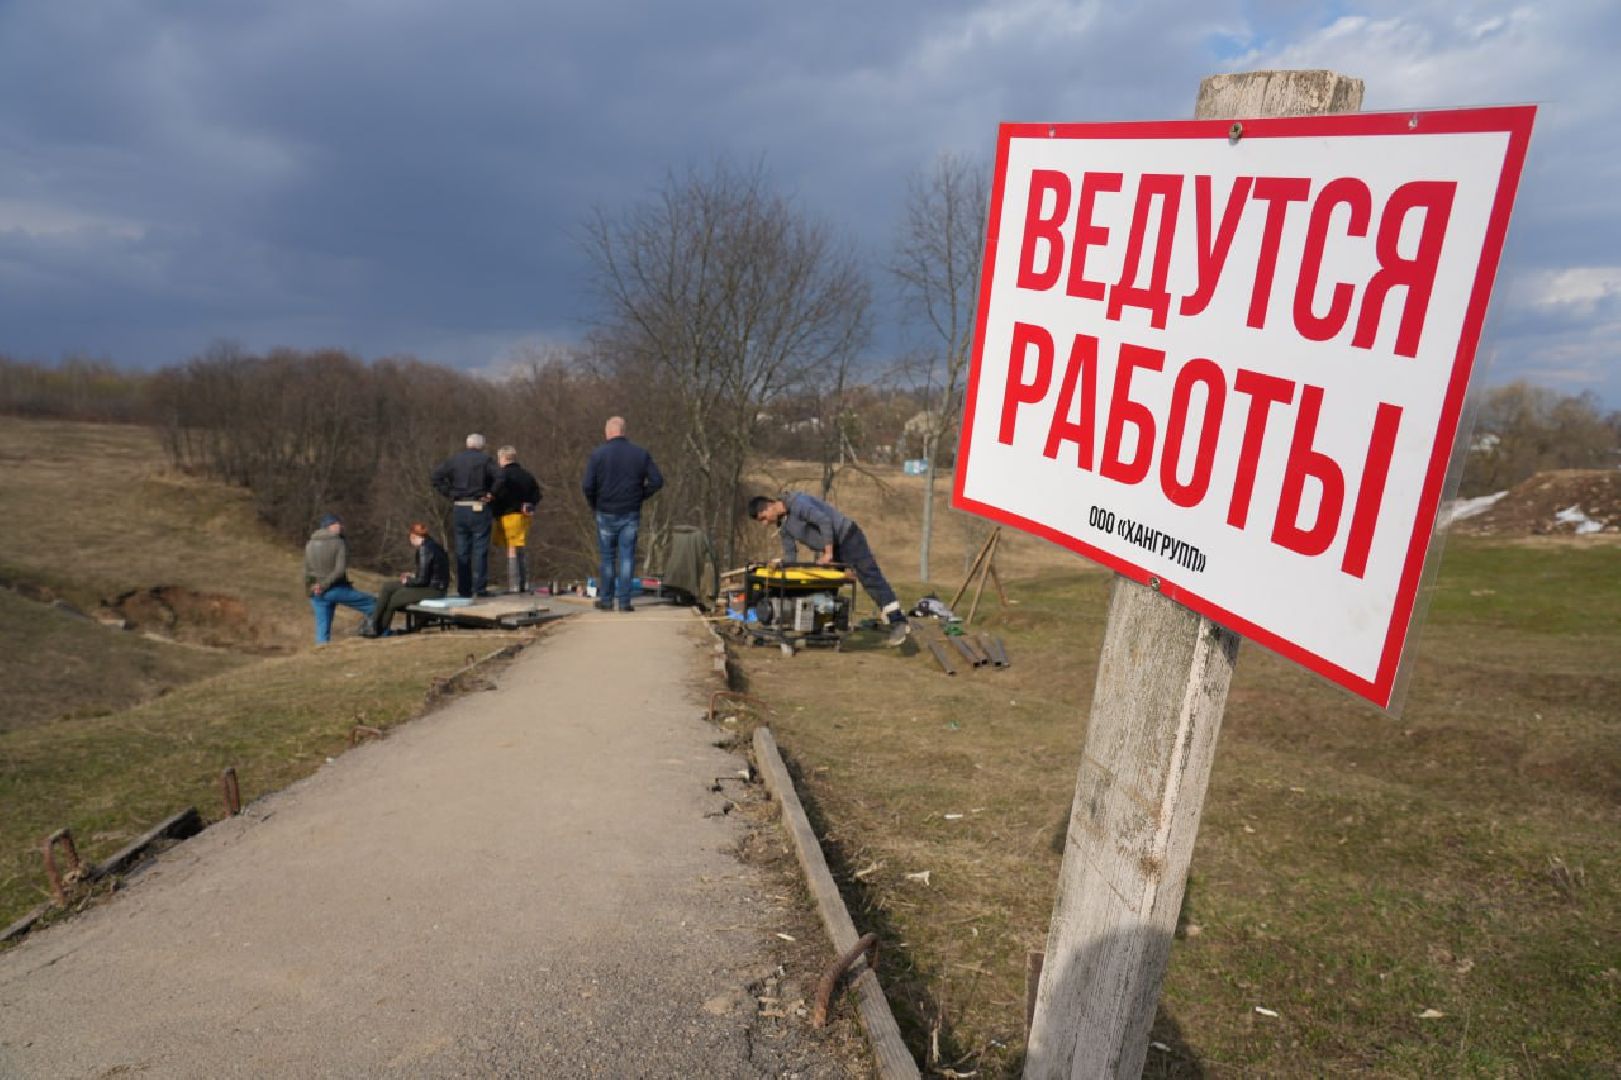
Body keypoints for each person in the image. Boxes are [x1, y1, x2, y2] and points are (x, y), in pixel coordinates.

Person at [748, 492, 911, 646]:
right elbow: (791, 555)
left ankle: (898, 621)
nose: (764, 523)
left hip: (847, 537)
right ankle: (828, 625)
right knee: (827, 584)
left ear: (769, 506)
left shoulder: (798, 503)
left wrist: (828, 553)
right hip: (832, 547)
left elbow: (824, 521)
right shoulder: (784, 526)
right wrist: (779, 564)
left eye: (763, 518)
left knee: (869, 577)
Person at [581, 416, 663, 612]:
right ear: (623, 431)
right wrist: (640, 496)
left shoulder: (598, 455)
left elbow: (587, 485)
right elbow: (657, 481)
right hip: (630, 511)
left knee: (607, 557)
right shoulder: (640, 454)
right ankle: (625, 601)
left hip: (605, 511)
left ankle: (607, 600)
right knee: (627, 556)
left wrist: (595, 504)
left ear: (608, 432)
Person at [431, 433, 500, 598]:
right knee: (480, 549)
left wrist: (449, 493)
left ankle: (464, 589)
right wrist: (491, 493)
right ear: (481, 445)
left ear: (467, 444)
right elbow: (501, 476)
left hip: (459, 507)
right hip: (479, 506)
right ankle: (479, 588)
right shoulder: (485, 460)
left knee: (462, 551)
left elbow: (436, 477)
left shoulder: (454, 460)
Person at [303, 513, 376, 644]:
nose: (340, 526)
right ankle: (381, 633)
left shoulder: (310, 543)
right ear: (329, 526)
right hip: (335, 588)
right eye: (337, 524)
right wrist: (324, 585)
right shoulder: (338, 542)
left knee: (322, 629)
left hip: (316, 592)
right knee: (373, 604)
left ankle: (321, 652)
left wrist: (311, 589)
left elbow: (307, 570)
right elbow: (339, 570)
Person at [367, 522, 450, 636]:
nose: (410, 541)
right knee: (388, 587)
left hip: (434, 589)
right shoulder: (432, 545)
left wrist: (408, 581)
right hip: (432, 585)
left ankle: (379, 629)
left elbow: (423, 581)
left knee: (395, 599)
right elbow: (429, 573)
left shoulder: (425, 550)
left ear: (414, 536)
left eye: (410, 538)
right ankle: (373, 622)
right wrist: (412, 575)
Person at [490, 445, 543, 594]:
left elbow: (502, 495)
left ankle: (514, 584)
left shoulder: (503, 476)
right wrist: (529, 505)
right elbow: (537, 494)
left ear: (502, 458)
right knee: (521, 547)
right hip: (525, 517)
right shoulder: (527, 475)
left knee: (511, 548)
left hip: (509, 515)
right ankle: (524, 582)